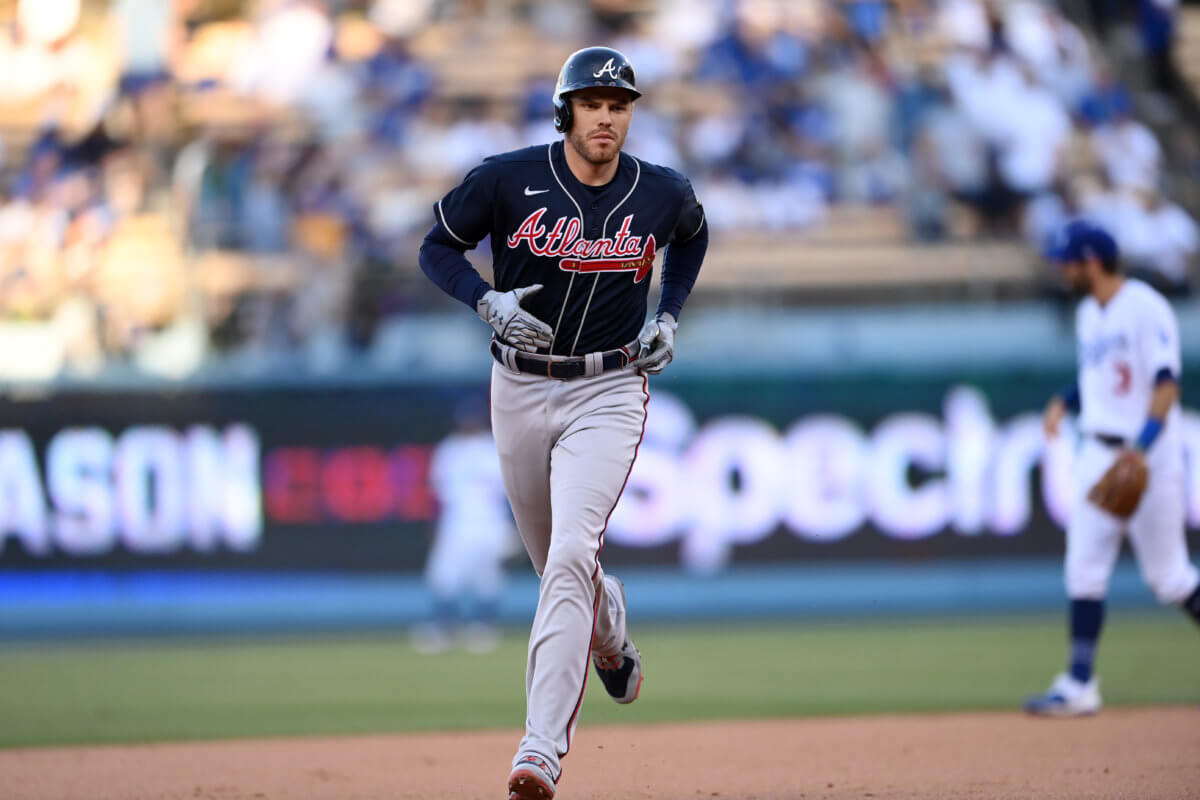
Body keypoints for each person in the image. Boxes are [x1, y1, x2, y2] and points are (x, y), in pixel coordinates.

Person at [416, 46, 707, 799]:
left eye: (619, 105)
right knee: (559, 569)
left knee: (574, 551)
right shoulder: (507, 178)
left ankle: (540, 751)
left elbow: (693, 234)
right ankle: (609, 634)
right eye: (592, 103)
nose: (607, 116)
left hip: (608, 390)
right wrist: (484, 300)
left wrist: (670, 315)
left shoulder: (661, 191)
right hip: (515, 388)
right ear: (565, 111)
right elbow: (435, 246)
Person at [1025, 219, 1200, 717]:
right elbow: (1096, 377)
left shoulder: (1144, 307)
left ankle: (1080, 683)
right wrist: (1063, 400)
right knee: (1083, 569)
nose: (1062, 270)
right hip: (1098, 451)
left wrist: (1141, 446)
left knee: (1169, 577)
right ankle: (1079, 684)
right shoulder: (1088, 314)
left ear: (1092, 262)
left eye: (1068, 261)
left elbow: (1166, 385)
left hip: (1148, 453)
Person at [412, 397, 516, 655]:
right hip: (455, 524)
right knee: (443, 576)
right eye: (464, 419)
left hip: (489, 523)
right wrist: (433, 527)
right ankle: (443, 627)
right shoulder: (448, 450)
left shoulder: (493, 448)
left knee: (487, 579)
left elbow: (509, 493)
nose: (468, 424)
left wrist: (512, 528)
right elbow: (438, 495)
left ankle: (484, 627)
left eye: (473, 419)